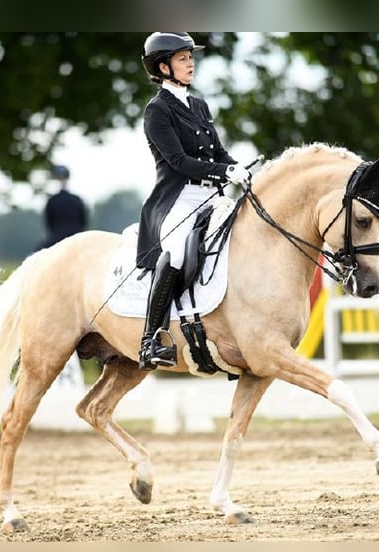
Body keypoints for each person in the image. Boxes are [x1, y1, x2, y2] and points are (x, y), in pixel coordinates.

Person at [136, 32, 250, 370]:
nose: (191, 63)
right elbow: (179, 162)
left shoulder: (198, 105)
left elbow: (218, 152)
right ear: (163, 66)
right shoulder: (156, 110)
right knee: (174, 252)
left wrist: (238, 167)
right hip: (178, 198)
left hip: (212, 195)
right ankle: (150, 339)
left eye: (191, 57)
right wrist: (225, 170)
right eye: (183, 58)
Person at [42, 164, 87, 249]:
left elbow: (50, 224)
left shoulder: (52, 201)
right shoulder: (77, 200)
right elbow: (83, 223)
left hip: (57, 239)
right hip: (77, 239)